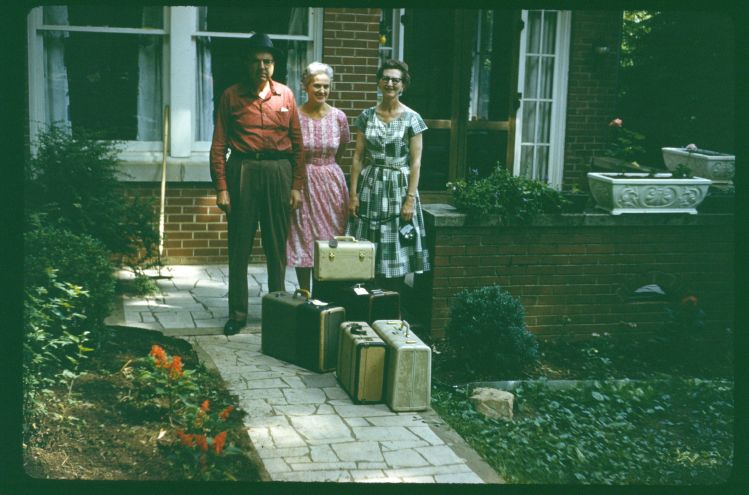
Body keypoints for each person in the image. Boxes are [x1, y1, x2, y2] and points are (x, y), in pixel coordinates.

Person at [210, 33, 305, 335]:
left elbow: (298, 145)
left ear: (274, 64)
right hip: (243, 170)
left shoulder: (286, 96)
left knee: (276, 246)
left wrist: (296, 185)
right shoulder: (231, 96)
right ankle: (237, 314)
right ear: (246, 63)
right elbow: (218, 145)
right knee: (240, 247)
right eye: (256, 61)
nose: (261, 67)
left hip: (279, 171)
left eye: (267, 61)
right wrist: (222, 187)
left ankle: (277, 312)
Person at [346, 59, 430, 289]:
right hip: (371, 186)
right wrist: (353, 195)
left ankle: (393, 301)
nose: (390, 83)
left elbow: (416, 162)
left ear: (403, 85)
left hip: (399, 188)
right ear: (379, 82)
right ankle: (368, 299)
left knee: (397, 247)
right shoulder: (366, 116)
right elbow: (358, 157)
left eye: (395, 80)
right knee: (368, 245)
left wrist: (410, 199)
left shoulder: (412, 118)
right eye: (385, 79)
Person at [286, 62, 351, 293]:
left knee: (331, 237)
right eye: (316, 85)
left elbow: (342, 148)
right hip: (303, 182)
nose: (322, 90)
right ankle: (305, 293)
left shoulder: (339, 117)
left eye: (326, 86)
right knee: (302, 236)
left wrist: (327, 169)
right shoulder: (295, 116)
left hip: (332, 184)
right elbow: (290, 151)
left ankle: (327, 292)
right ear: (305, 86)